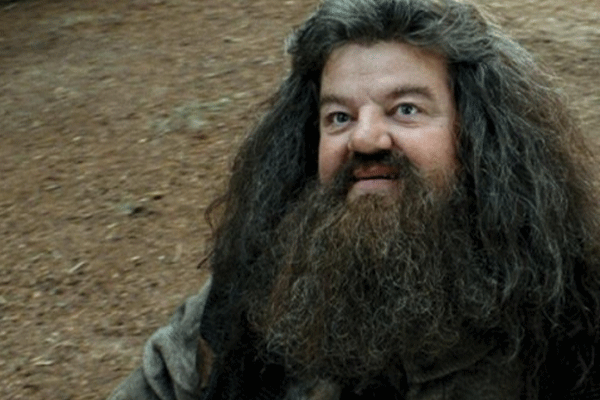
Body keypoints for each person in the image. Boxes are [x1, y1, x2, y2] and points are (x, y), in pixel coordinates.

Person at [107, 0, 600, 399]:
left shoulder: (571, 317)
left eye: (405, 109)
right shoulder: (246, 301)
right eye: (339, 117)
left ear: (477, 134)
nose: (365, 139)